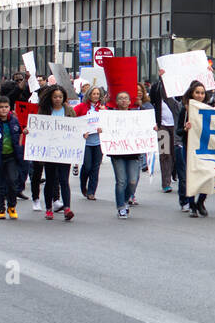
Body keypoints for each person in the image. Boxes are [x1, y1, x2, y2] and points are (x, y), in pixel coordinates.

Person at [100, 90, 151, 219]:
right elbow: (103, 127)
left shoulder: (137, 116)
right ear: (117, 102)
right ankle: (121, 206)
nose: (123, 100)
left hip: (133, 152)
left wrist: (152, 129)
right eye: (121, 98)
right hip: (117, 153)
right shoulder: (111, 116)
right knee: (121, 180)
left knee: (133, 181)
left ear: (130, 102)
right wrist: (102, 129)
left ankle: (126, 199)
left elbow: (147, 125)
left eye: (126, 98)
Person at [37, 86, 76, 221]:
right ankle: (49, 208)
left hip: (65, 151)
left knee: (64, 180)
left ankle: (67, 208)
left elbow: (75, 127)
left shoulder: (69, 110)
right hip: (50, 151)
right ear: (50, 98)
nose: (58, 99)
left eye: (60, 97)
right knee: (51, 180)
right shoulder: (44, 111)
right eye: (55, 97)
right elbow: (38, 128)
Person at [178, 81, 210, 217]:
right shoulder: (185, 110)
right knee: (191, 176)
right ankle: (192, 205)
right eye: (197, 92)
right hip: (189, 147)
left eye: (202, 93)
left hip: (206, 147)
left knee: (208, 175)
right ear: (192, 93)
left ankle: (201, 201)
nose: (200, 95)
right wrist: (185, 129)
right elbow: (178, 131)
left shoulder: (208, 109)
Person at [150, 73, 180, 193]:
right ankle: (166, 183)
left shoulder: (179, 88)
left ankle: (174, 172)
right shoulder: (157, 88)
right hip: (162, 125)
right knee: (164, 154)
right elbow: (151, 102)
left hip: (177, 126)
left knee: (175, 153)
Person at [75, 86, 106, 199]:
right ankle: (83, 186)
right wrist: (81, 131)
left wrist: (103, 127)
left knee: (95, 167)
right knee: (87, 166)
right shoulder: (81, 107)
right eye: (94, 94)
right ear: (89, 95)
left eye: (98, 94)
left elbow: (108, 123)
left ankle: (91, 192)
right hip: (86, 142)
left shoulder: (102, 108)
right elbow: (73, 119)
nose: (96, 96)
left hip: (98, 142)